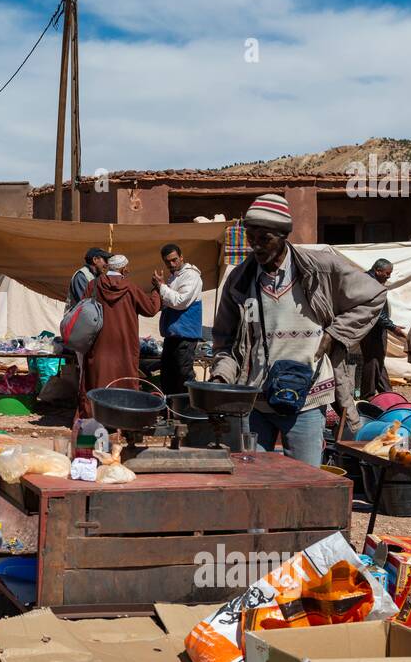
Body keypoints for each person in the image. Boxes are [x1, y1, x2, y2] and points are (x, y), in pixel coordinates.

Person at [211, 194, 386, 467]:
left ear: (283, 235)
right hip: (255, 400)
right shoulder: (239, 281)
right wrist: (221, 377)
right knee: (254, 479)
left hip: (308, 399)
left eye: (264, 237)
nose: (255, 244)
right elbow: (225, 342)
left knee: (306, 481)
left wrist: (336, 333)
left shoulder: (321, 269)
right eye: (250, 235)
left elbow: (374, 296)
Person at [80, 253, 160, 415]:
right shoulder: (130, 288)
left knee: (98, 379)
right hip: (125, 345)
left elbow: (82, 311)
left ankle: (95, 415)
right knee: (124, 382)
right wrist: (156, 290)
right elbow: (151, 309)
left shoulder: (93, 285)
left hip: (98, 343)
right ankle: (122, 417)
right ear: (123, 269)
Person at [151, 242, 203, 395]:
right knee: (168, 375)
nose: (171, 264)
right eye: (168, 262)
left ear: (181, 257)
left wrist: (161, 286)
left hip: (185, 335)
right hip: (173, 334)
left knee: (183, 374)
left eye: (174, 260)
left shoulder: (191, 276)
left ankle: (191, 410)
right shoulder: (174, 277)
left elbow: (180, 302)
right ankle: (172, 411)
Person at [358, 259, 396, 400]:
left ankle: (387, 393)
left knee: (377, 360)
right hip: (372, 329)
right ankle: (367, 396)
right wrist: (392, 327)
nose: (388, 276)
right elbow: (375, 311)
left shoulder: (370, 282)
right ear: (378, 271)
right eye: (387, 273)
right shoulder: (371, 284)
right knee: (372, 360)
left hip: (374, 328)